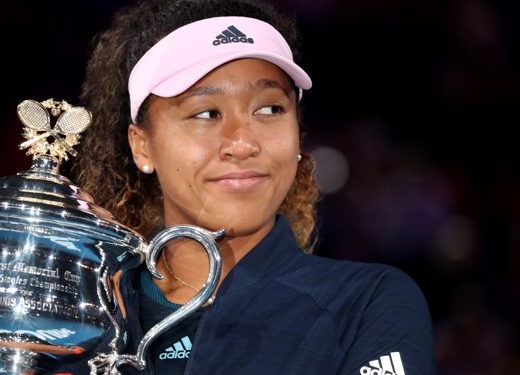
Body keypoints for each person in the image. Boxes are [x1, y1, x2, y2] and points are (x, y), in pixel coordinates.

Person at [71, 0, 437, 374]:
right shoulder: (87, 315)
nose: (243, 144)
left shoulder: (367, 304)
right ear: (142, 146)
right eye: (206, 114)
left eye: (269, 109)